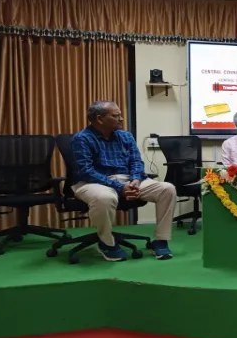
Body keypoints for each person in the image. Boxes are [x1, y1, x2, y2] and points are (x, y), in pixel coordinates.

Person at [72, 101, 176, 262]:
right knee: (104, 198)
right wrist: (120, 187)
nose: (121, 119)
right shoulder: (82, 139)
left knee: (167, 189)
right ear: (99, 119)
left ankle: (160, 240)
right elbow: (86, 171)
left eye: (120, 115)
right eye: (116, 116)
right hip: (93, 182)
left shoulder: (125, 136)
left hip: (128, 179)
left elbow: (136, 161)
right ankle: (107, 243)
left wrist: (135, 180)